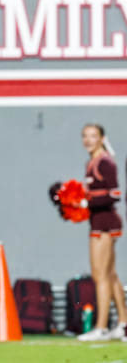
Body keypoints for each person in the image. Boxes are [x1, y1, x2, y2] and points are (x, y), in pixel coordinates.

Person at [76, 124, 127, 341]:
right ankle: (124, 324)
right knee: (110, 274)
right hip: (98, 223)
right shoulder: (92, 162)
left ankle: (101, 327)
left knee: (100, 276)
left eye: (93, 136)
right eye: (85, 136)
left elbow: (114, 194)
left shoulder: (105, 162)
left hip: (106, 224)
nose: (88, 140)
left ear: (102, 138)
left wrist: (86, 201)